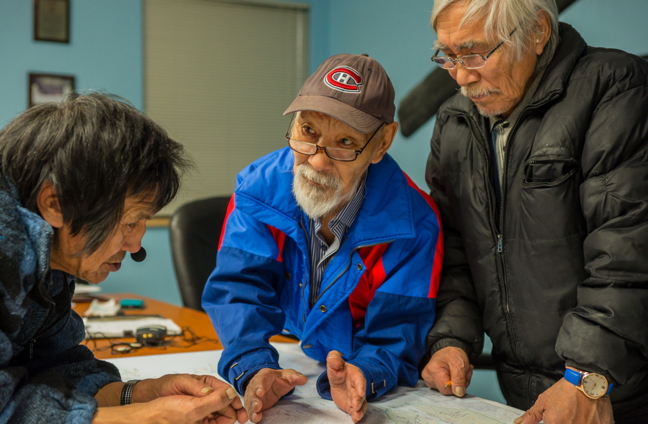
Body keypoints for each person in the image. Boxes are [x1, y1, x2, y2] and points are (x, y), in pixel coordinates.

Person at [421, 0, 648, 423]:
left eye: (475, 53)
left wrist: (587, 374)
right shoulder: (453, 122)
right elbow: (454, 250)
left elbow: (629, 247)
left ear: (538, 32)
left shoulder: (615, 87)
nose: (462, 76)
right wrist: (450, 340)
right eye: (448, 56)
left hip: (617, 393)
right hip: (521, 395)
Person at [202, 53, 443, 423]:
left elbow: (397, 332)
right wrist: (252, 368)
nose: (316, 161)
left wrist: (366, 372)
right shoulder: (257, 188)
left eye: (345, 141)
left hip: (352, 370)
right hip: (290, 355)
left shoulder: (414, 223)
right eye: (308, 132)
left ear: (381, 144)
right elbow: (239, 289)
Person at [0, 92, 247, 424]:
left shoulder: (50, 257)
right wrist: (144, 418)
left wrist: (143, 394)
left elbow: (53, 370)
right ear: (55, 203)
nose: (135, 245)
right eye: (130, 221)